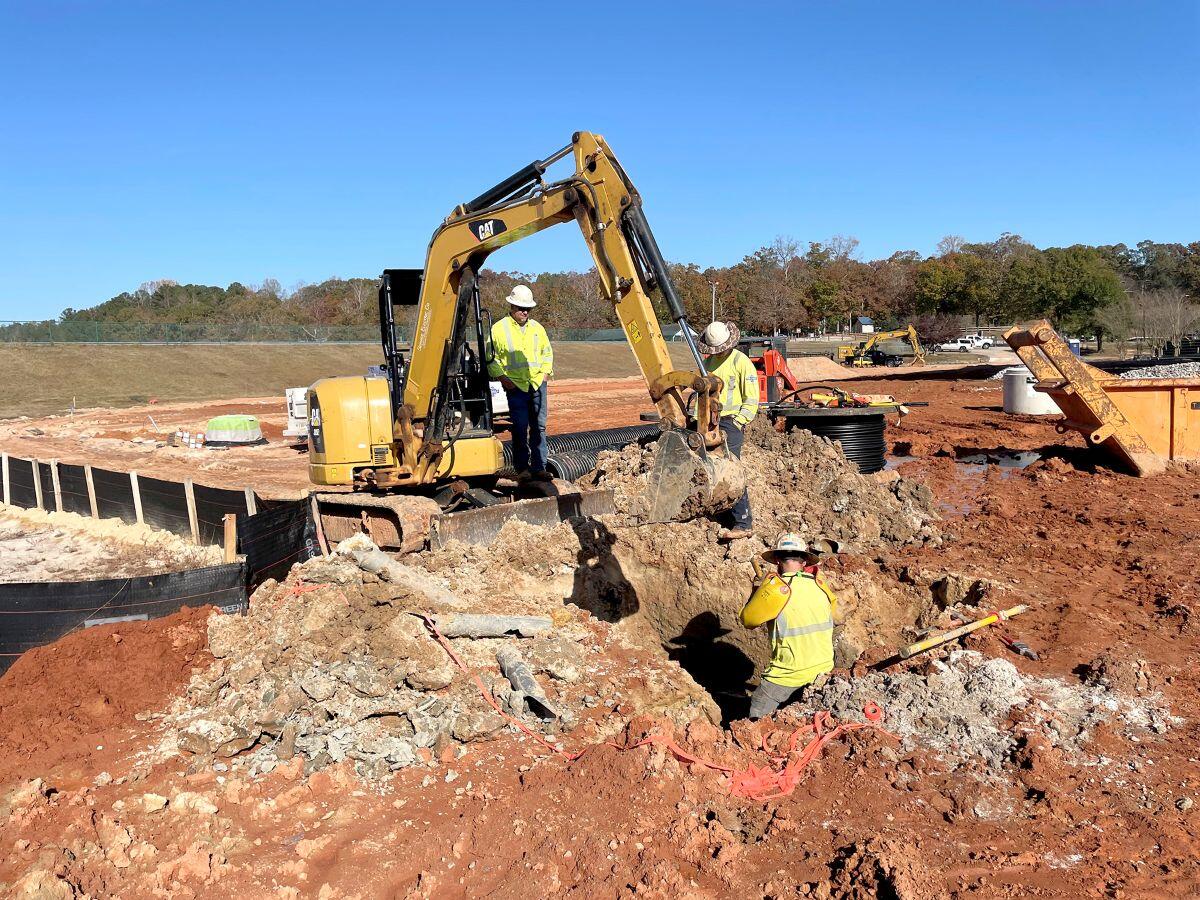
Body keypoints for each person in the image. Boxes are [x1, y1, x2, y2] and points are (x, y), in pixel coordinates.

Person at [740, 534, 841, 720]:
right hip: (823, 669)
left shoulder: (775, 590)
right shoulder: (820, 586)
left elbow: (748, 620)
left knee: (758, 707)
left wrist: (758, 590)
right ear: (804, 561)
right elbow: (833, 610)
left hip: (789, 675)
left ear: (777, 560)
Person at [697, 320, 758, 540]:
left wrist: (739, 421)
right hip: (708, 423)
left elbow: (752, 398)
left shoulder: (741, 362)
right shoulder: (707, 363)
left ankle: (743, 522)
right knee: (708, 470)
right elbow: (700, 397)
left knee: (730, 469)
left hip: (730, 422)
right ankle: (720, 515)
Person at [489, 284, 554, 482]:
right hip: (515, 387)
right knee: (519, 427)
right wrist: (503, 378)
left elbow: (547, 353)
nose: (524, 312)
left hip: (537, 384)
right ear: (511, 307)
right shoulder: (499, 329)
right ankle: (522, 469)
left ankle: (539, 467)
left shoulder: (537, 329)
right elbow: (490, 359)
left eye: (527, 308)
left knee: (539, 427)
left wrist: (545, 374)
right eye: (520, 308)